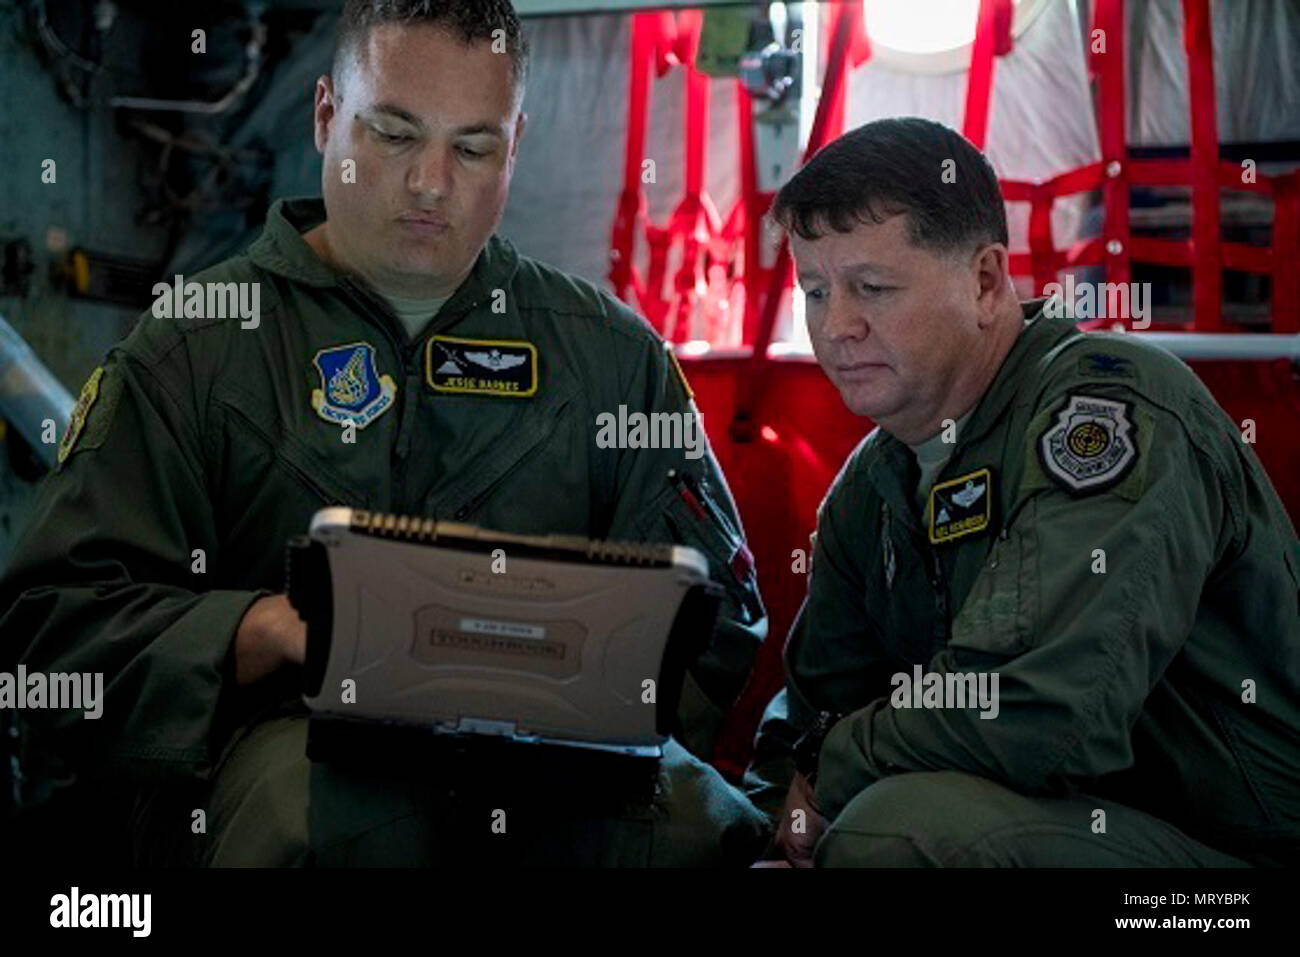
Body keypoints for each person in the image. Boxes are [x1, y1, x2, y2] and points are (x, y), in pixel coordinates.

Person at [0, 0, 771, 867]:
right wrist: (264, 631)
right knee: (318, 818)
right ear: (328, 116)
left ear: (515, 145)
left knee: (708, 827)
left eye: (472, 147)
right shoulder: (193, 348)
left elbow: (720, 624)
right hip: (281, 774)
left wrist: (569, 692)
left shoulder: (614, 360)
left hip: (561, 777)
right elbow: (53, 631)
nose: (431, 183)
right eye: (395, 135)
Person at [745, 117, 1300, 867]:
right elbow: (809, 724)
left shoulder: (1112, 411)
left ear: (984, 281)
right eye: (815, 291)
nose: (836, 325)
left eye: (872, 287)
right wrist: (777, 822)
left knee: (899, 833)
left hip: (1226, 874)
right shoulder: (873, 488)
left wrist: (833, 763)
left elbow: (1036, 714)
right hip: (1077, 830)